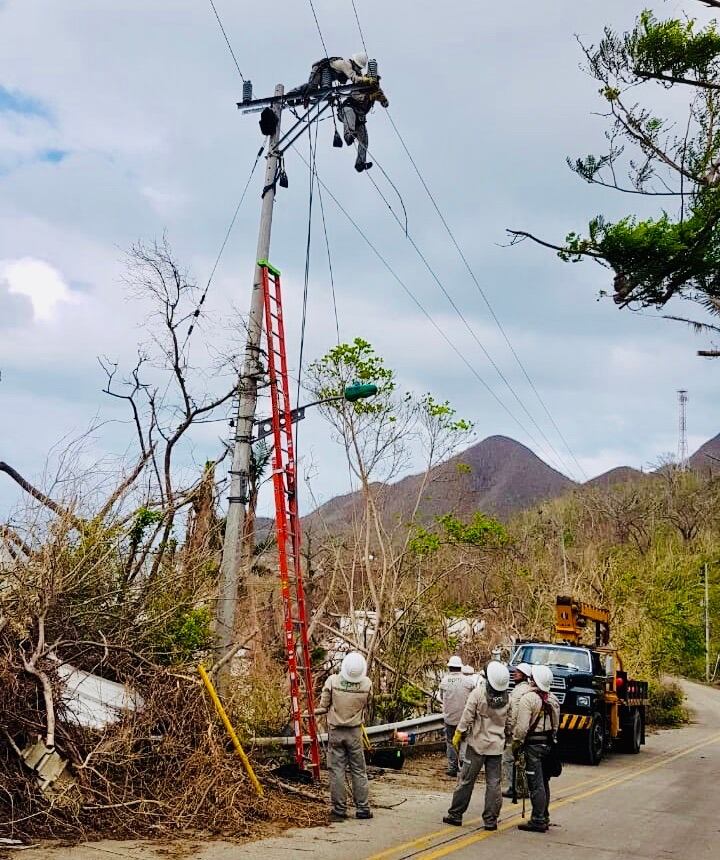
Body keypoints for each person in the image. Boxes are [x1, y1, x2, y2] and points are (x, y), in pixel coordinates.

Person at [442, 661, 511, 831]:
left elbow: (467, 717)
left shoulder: (478, 694)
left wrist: (458, 734)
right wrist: (508, 739)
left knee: (466, 780)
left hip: (477, 746)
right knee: (494, 784)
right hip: (496, 747)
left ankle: (456, 814)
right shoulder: (507, 699)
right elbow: (509, 723)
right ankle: (491, 820)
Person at [314, 651, 373, 823]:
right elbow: (368, 704)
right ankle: (363, 808)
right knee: (359, 770)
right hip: (355, 732)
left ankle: (339, 809)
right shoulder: (367, 684)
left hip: (336, 732)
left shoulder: (333, 681)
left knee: (337, 770)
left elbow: (324, 704)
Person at [512, 664, 561, 833]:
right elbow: (556, 726)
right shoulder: (553, 699)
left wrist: (516, 744)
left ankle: (538, 819)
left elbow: (522, 728)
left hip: (533, 746)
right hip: (548, 745)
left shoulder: (528, 699)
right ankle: (544, 815)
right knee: (544, 782)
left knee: (535, 784)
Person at [340, 82, 389, 172]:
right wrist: (370, 96)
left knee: (364, 140)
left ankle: (360, 163)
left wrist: (384, 101)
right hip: (348, 108)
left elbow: (380, 96)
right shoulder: (360, 85)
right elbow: (356, 95)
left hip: (359, 117)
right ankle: (348, 136)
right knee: (350, 116)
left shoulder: (375, 90)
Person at [502, 662, 533, 798]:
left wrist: (508, 730)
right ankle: (524, 787)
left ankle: (514, 788)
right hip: (527, 731)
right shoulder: (530, 690)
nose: (514, 674)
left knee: (508, 759)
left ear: (525, 676)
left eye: (518, 672)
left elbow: (512, 713)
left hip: (516, 731)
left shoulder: (518, 692)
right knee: (523, 761)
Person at [288, 52, 370, 102]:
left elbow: (359, 78)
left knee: (322, 93)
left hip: (326, 72)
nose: (359, 70)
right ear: (355, 63)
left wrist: (366, 83)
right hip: (322, 70)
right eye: (359, 67)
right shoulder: (346, 65)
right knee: (320, 90)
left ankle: (297, 95)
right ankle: (292, 94)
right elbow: (355, 78)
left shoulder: (352, 68)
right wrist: (367, 80)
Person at [439, 655, 470, 777]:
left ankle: (452, 767)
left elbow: (442, 697)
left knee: (451, 742)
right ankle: (464, 764)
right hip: (465, 718)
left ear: (450, 667)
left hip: (450, 718)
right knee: (465, 740)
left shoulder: (445, 681)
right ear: (460, 667)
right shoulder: (468, 681)